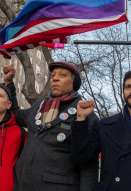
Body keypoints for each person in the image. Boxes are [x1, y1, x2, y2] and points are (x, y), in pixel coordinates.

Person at [8, 62, 99, 191]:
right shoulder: (39, 106)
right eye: (53, 75)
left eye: (62, 75)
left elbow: (88, 167)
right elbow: (15, 114)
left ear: (74, 82)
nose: (55, 78)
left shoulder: (86, 115)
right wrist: (9, 83)